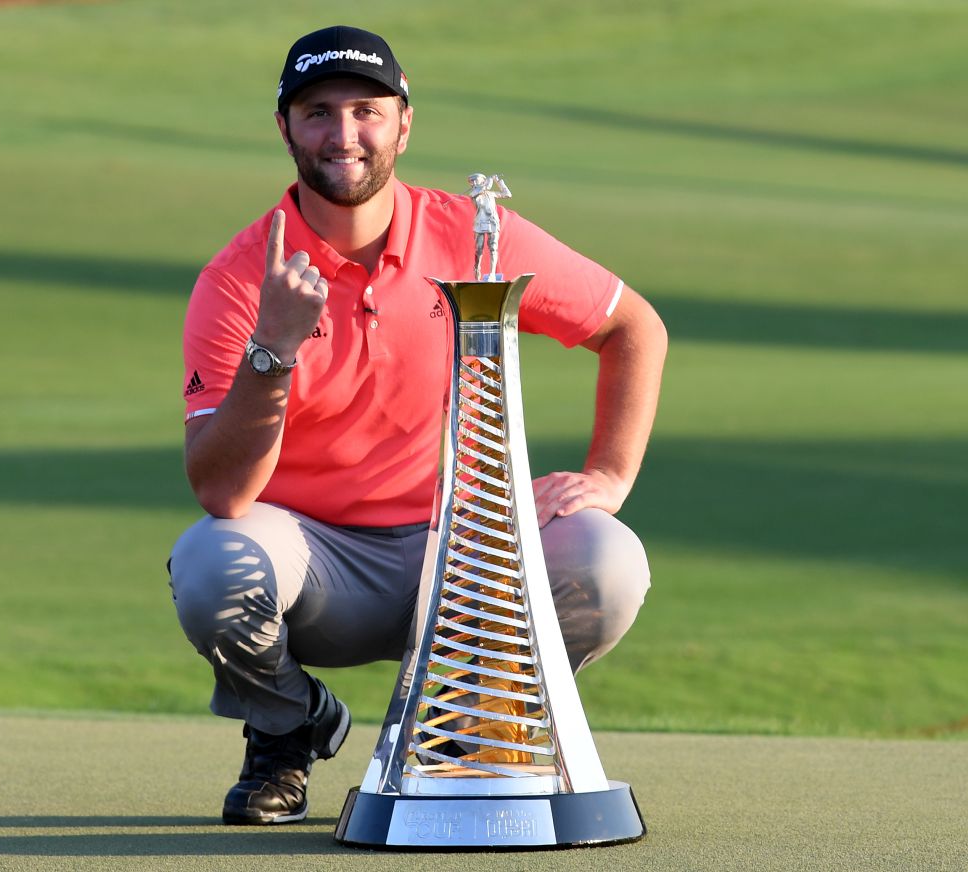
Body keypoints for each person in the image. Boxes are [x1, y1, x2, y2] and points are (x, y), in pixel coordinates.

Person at [168, 25, 667, 826]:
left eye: (366, 110)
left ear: (404, 121)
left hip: (471, 557)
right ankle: (288, 726)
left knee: (608, 559)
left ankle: (470, 735)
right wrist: (274, 350)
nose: (344, 135)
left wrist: (609, 475)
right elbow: (221, 490)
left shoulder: (476, 235)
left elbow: (633, 327)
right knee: (210, 565)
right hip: (318, 565)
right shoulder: (239, 278)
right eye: (319, 113)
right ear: (285, 128)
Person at [466, 172, 511, 280]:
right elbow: (485, 187)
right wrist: (489, 180)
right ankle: (477, 268)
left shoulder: (490, 194)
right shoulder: (474, 194)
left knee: (493, 248)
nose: (474, 183)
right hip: (480, 223)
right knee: (479, 249)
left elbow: (507, 194)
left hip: (492, 222)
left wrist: (499, 182)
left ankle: (492, 274)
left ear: (482, 180)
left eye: (477, 180)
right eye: (473, 181)